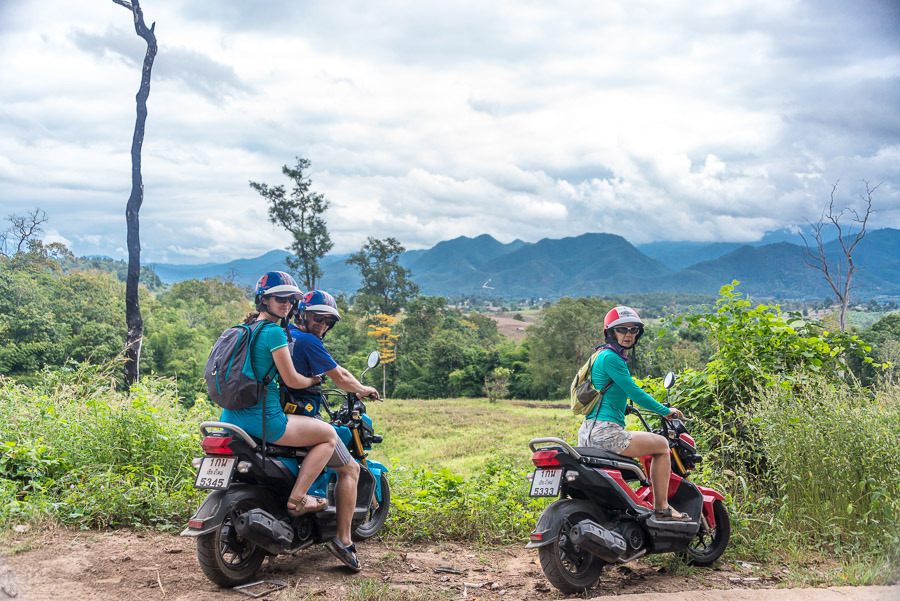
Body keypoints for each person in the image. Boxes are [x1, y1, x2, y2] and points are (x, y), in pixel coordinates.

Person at [219, 271, 337, 520]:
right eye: (280, 298)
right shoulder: (273, 332)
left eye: (291, 300)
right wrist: (315, 379)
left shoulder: (244, 328)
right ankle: (298, 499)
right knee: (329, 435)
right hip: (265, 420)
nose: (287, 304)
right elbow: (292, 379)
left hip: (229, 417)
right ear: (263, 300)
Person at [285, 289, 379, 572]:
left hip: (280, 412)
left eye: (328, 320)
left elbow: (338, 370)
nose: (322, 324)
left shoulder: (287, 334)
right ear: (302, 312)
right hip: (300, 416)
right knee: (349, 469)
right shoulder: (308, 342)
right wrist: (363, 390)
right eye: (317, 316)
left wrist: (359, 387)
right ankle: (343, 540)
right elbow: (338, 377)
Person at [577, 306, 690, 521]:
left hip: (588, 432)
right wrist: (666, 411)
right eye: (622, 330)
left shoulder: (599, 356)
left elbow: (610, 392)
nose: (628, 334)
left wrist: (624, 407)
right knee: (662, 446)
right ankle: (662, 507)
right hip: (606, 433)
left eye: (633, 330)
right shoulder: (612, 358)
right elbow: (634, 392)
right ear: (610, 332)